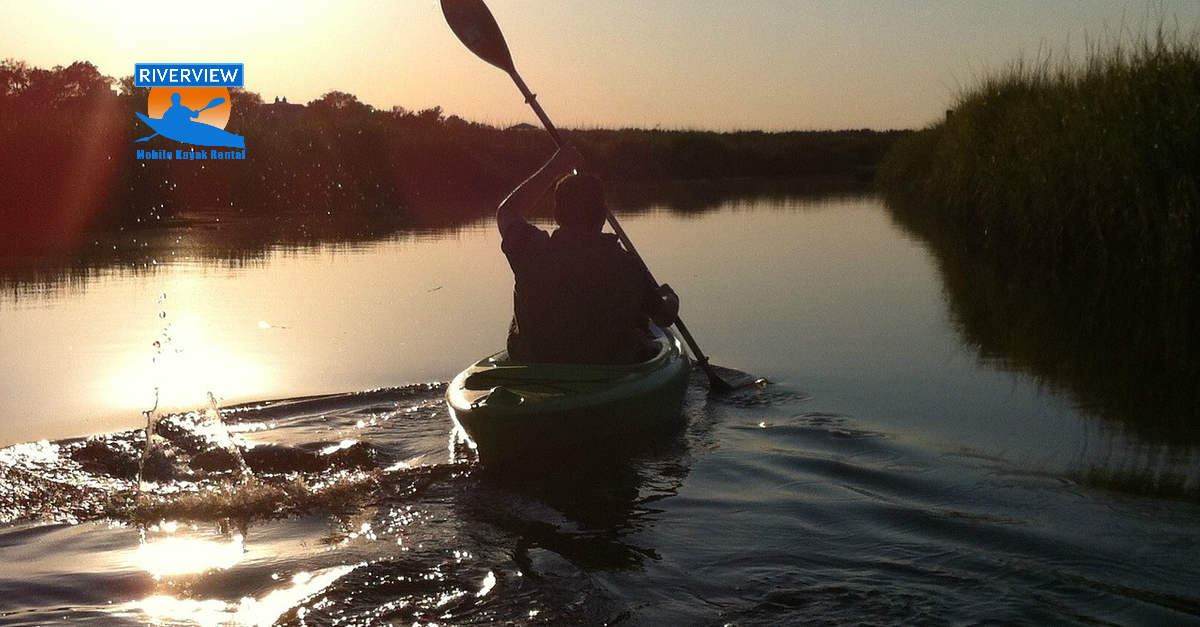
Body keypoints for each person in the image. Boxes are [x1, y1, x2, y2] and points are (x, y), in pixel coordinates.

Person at [498, 148, 680, 365]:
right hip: (609, 371)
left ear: (556, 216)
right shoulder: (628, 265)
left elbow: (507, 212)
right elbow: (663, 317)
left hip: (537, 366)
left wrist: (555, 167)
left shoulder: (530, 249)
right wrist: (670, 297)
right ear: (603, 215)